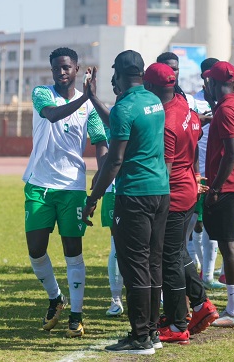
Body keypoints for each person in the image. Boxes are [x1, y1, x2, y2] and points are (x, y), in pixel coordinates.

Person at [83, 50, 170, 355]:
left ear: (118, 74)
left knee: (134, 267)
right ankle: (152, 332)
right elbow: (122, 125)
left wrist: (93, 197)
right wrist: (93, 98)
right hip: (160, 191)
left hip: (134, 194)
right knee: (152, 263)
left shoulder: (126, 106)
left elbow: (115, 160)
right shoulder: (152, 101)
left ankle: (140, 338)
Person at [23, 47, 108, 338]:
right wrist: (86, 96)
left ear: (77, 69)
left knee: (73, 252)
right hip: (39, 185)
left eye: (66, 67)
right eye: (57, 68)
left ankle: (76, 315)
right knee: (36, 250)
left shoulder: (89, 107)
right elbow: (52, 115)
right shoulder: (42, 94)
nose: (61, 72)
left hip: (72, 187)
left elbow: (100, 140)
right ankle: (55, 298)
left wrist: (101, 177)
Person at [143, 63, 217, 344]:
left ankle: (176, 325)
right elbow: (196, 146)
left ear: (150, 88)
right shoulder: (187, 110)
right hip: (188, 189)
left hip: (173, 195)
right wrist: (196, 176)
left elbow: (166, 170)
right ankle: (200, 305)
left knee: (168, 259)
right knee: (176, 252)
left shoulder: (168, 122)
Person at [201, 62, 234, 327]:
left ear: (213, 83)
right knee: (230, 244)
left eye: (208, 81)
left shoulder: (228, 109)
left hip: (228, 185)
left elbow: (232, 152)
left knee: (230, 244)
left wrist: (216, 188)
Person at [87, 72, 125, 317]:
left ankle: (158, 294)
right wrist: (103, 176)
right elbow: (103, 149)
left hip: (139, 188)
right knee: (116, 245)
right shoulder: (106, 114)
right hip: (114, 188)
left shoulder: (145, 108)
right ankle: (115, 299)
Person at [190, 58, 224, 290]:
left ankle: (208, 273)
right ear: (204, 76)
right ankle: (200, 270)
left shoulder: (225, 102)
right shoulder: (193, 101)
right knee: (196, 224)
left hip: (219, 171)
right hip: (198, 171)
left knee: (213, 225)